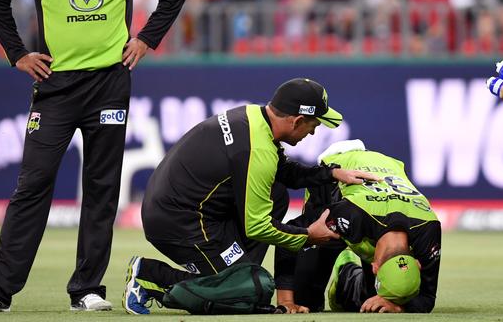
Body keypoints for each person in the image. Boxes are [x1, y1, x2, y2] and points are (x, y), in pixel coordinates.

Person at [0, 0, 188, 312]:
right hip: (54, 86)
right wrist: (17, 53)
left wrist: (146, 38)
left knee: (101, 187)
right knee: (32, 185)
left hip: (109, 85)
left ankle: (87, 289)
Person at [122, 78, 380, 315]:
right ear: (297, 120)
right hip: (179, 222)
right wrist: (308, 235)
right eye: (313, 126)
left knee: (276, 193)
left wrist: (333, 174)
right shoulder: (258, 151)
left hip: (185, 210)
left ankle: (240, 273)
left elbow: (286, 173)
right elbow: (257, 227)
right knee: (252, 289)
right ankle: (151, 276)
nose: (312, 133)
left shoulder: (254, 118)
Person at [274, 140, 441, 315]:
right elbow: (290, 231)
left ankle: (348, 283)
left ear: (418, 263)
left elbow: (427, 298)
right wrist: (286, 301)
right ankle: (345, 267)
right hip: (336, 178)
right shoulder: (349, 214)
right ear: (374, 267)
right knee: (305, 301)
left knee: (373, 306)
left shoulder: (429, 230)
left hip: (383, 172)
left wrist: (398, 306)